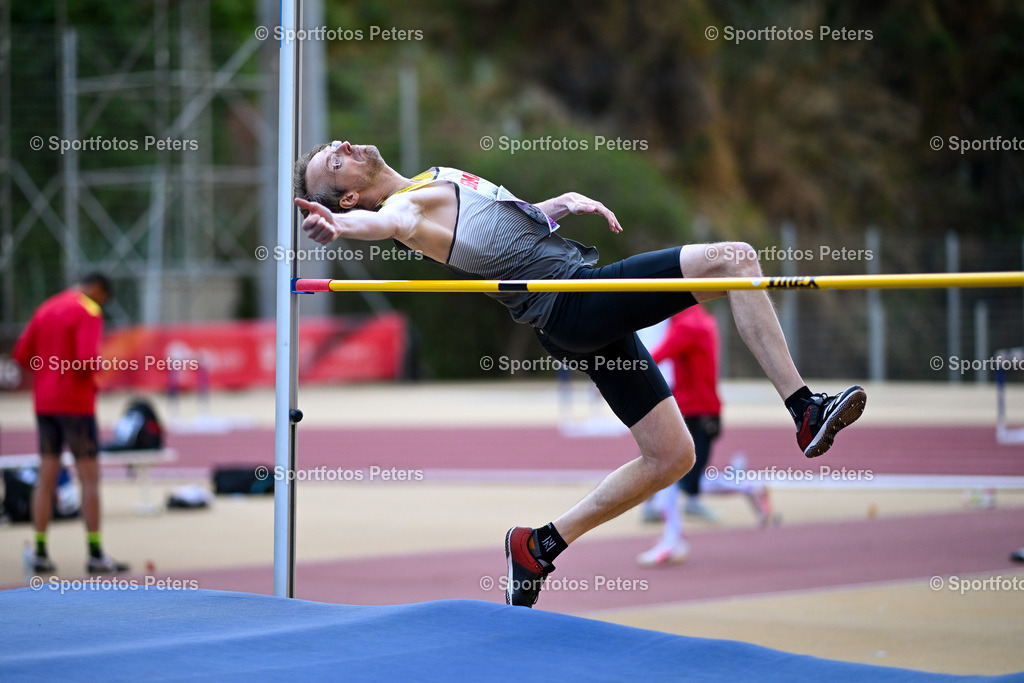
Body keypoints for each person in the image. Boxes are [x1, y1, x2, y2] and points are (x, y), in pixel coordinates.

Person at [293, 141, 867, 607]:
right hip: (575, 300)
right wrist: (341, 231)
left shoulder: (428, 181)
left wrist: (550, 208)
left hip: (568, 313)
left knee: (673, 456)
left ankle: (538, 545)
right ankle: (803, 409)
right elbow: (384, 224)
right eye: (333, 162)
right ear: (347, 198)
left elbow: (501, 234)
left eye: (332, 147)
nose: (342, 146)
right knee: (734, 258)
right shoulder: (405, 211)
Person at [636, 306, 774, 568]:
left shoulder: (687, 325)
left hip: (697, 413)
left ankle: (673, 541)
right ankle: (748, 488)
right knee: (684, 480)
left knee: (674, 477)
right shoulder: (699, 320)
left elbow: (656, 357)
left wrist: (615, 373)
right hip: (696, 411)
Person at [13, 273, 129, 575]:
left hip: (45, 403)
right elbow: (86, 358)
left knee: (46, 475)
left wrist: (49, 371)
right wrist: (96, 372)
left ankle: (39, 551)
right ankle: (95, 553)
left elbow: (22, 354)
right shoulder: (87, 310)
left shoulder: (47, 307)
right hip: (76, 405)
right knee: (90, 477)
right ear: (98, 290)